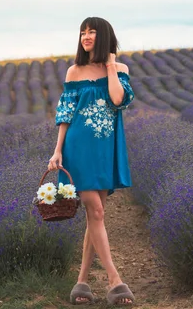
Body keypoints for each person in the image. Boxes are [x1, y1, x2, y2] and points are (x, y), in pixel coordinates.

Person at [48, 16, 135, 306]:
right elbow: (65, 114)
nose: (86, 36)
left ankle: (81, 283)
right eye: (83, 32)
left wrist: (110, 64)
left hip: (104, 149)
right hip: (77, 149)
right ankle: (115, 280)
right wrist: (57, 150)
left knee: (94, 217)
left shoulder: (119, 69)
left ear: (104, 36)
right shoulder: (74, 72)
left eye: (92, 32)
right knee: (95, 212)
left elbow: (118, 100)